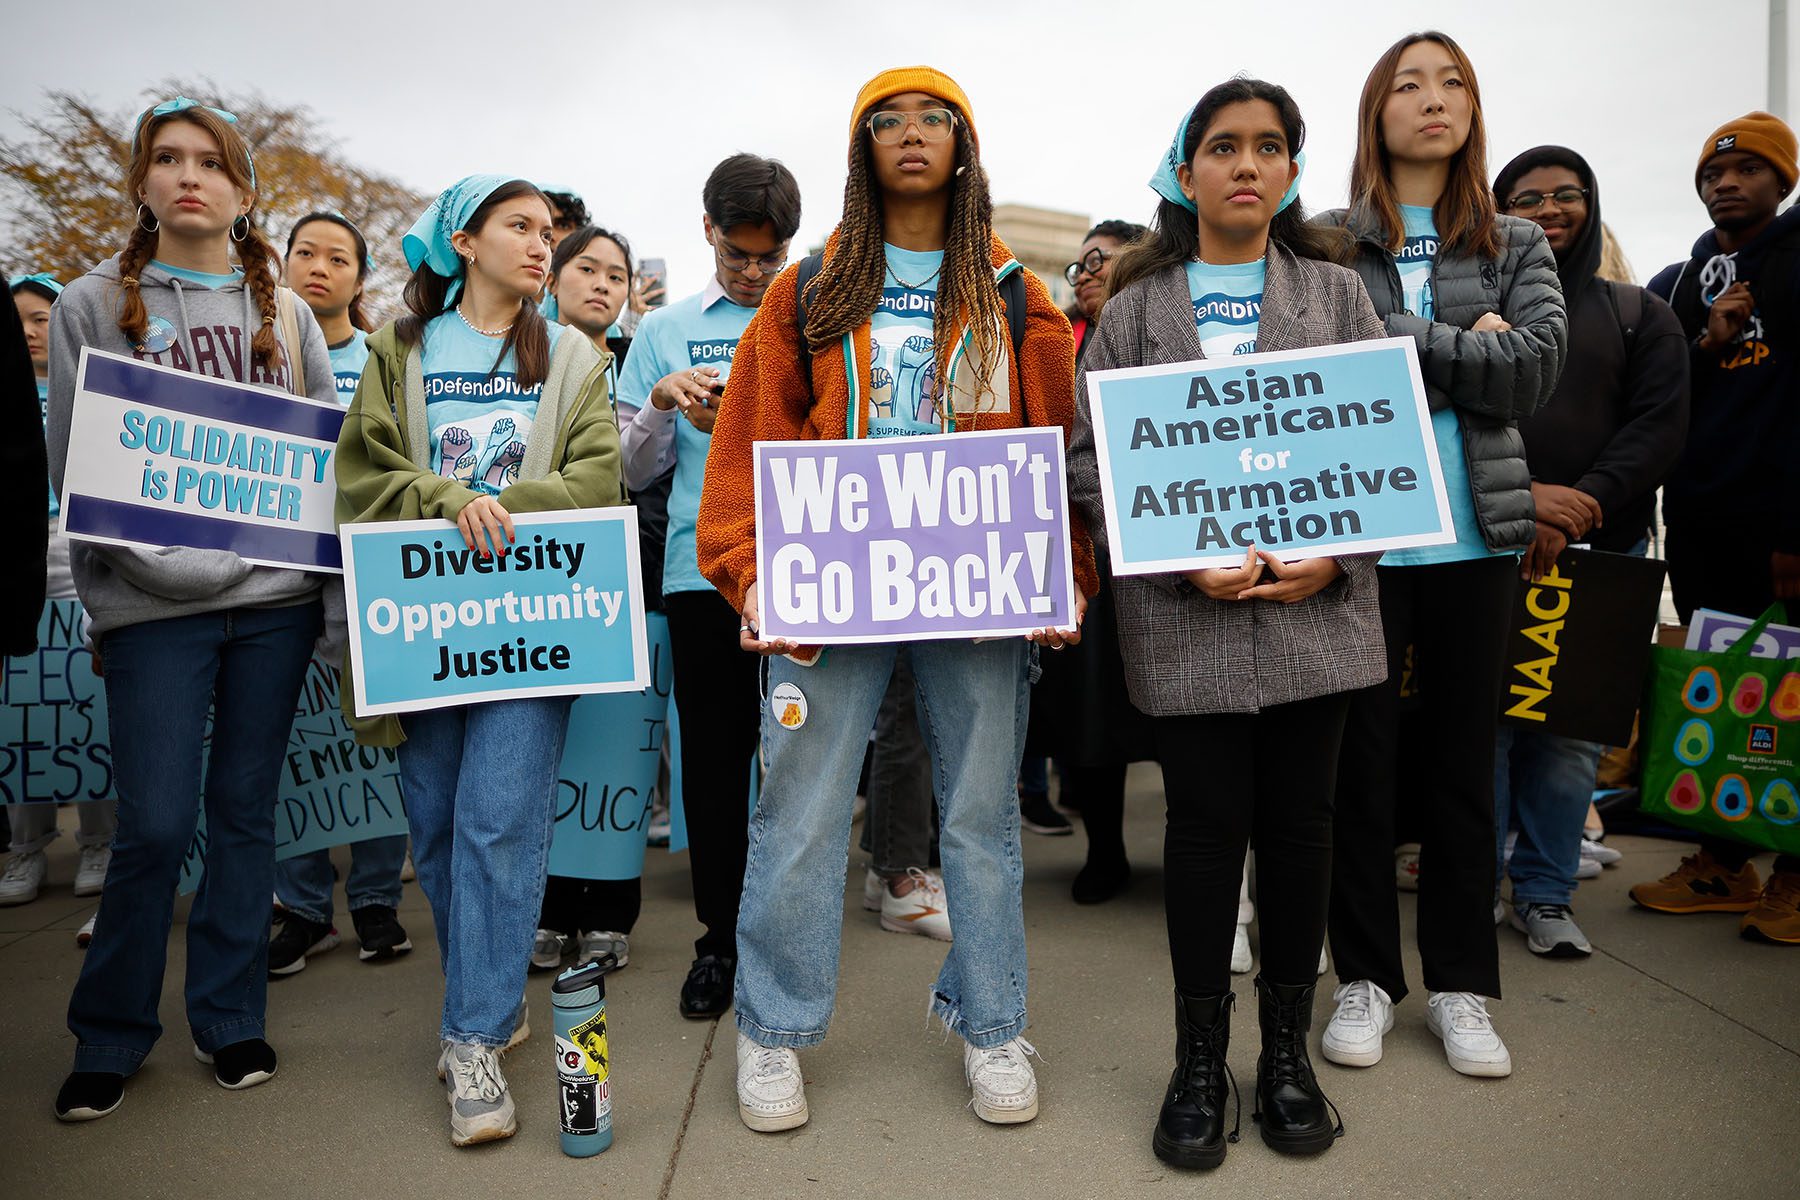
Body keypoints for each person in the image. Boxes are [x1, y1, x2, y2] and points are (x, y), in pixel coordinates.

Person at [696, 64, 1095, 1134]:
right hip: (830, 590)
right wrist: (747, 568)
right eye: (888, 121)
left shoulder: (1018, 293)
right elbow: (752, 436)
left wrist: (1070, 580)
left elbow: (1057, 453)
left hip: (978, 593)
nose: (912, 135)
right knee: (801, 811)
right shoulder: (810, 285)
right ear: (861, 147)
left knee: (977, 818)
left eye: (935, 120)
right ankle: (773, 1033)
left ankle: (993, 1021)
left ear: (964, 147)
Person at [1071, 78, 1384, 1169]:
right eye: (1221, 146)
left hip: (1320, 619)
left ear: (1294, 170)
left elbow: (1384, 451)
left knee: (1303, 830)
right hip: (1184, 621)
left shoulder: (1340, 299)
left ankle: (1285, 1056)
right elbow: (1089, 463)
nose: (1245, 164)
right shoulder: (1129, 313)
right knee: (1203, 836)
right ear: (1186, 170)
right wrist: (1167, 553)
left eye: (1267, 147)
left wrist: (1338, 552)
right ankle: (1198, 1059)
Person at [44, 98, 337, 1122]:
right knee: (156, 826)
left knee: (243, 816)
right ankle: (111, 1033)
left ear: (245, 190)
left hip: (274, 606)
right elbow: (81, 468)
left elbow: (316, 463)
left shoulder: (285, 312)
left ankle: (229, 1016)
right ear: (139, 181)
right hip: (147, 606)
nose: (187, 176)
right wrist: (179, 575)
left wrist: (300, 589)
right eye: (165, 159)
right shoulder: (89, 303)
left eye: (210, 162)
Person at [333, 175, 623, 1145]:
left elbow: (596, 477)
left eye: (550, 230)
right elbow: (365, 471)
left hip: (532, 629)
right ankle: (495, 1005)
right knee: (442, 829)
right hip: (423, 635)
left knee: (500, 819)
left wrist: (504, 508)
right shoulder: (399, 348)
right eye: (520, 226)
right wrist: (450, 499)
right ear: (463, 240)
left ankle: (469, 1040)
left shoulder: (578, 357)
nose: (543, 244)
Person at [1317, 31, 1566, 1080]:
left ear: (1472, 109)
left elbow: (1535, 374)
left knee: (1466, 767)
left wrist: (1403, 337)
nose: (1433, 99)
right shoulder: (1326, 239)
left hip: (1475, 540)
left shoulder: (1513, 237)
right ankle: (1365, 980)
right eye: (1408, 85)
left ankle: (1464, 986)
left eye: (1452, 82)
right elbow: (1331, 370)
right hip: (1364, 542)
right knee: (1356, 773)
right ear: (1376, 112)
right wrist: (1476, 347)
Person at [613, 154, 802, 1020]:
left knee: (807, 759)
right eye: (738, 256)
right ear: (707, 233)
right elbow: (629, 465)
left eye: (772, 256)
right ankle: (719, 938)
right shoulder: (665, 329)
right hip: (705, 573)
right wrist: (660, 403)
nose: (756, 272)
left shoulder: (816, 317)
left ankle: (792, 930)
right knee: (716, 768)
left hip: (811, 566)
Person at [1489, 147, 1689, 957]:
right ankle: (1471, 887)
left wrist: (1582, 506)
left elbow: (1661, 428)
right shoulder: (1474, 316)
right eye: (1526, 198)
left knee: (1569, 735)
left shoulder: (1639, 313)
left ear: (1592, 204)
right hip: (1491, 541)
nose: (1549, 209)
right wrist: (1523, 495)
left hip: (1604, 552)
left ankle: (1542, 892)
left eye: (1567, 195)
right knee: (1484, 731)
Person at [1640, 112, 1800, 944]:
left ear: (1784, 180)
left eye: (1745, 172)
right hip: (1703, 516)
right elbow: (1673, 394)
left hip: (1781, 526)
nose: (1725, 185)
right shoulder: (1691, 274)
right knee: (1725, 693)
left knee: (1797, 700)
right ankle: (1723, 864)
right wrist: (1710, 341)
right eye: (1711, 175)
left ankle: (1797, 879)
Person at [266, 212, 411, 973]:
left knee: (377, 734)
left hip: (369, 578)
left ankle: (377, 900)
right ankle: (303, 907)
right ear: (283, 263)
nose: (319, 267)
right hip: (284, 579)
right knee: (302, 743)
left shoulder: (387, 357)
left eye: (339, 258)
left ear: (360, 279)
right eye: (305, 253)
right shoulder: (257, 357)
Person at [1033, 218, 1156, 903]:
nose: (1082, 274)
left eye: (1098, 261)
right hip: (1090, 557)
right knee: (1094, 712)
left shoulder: (1169, 334)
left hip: (1166, 558)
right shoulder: (1061, 351)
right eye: (1077, 264)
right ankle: (1105, 853)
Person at [534, 222, 641, 973]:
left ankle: (608, 913)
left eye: (617, 276)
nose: (602, 284)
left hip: (621, 578)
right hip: (534, 581)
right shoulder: (520, 358)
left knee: (612, 748)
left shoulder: (635, 367)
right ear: (553, 279)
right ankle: (543, 910)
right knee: (542, 744)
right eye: (587, 269)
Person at [2, 274, 119, 916]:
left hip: (77, 551)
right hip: (18, 564)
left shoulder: (90, 386)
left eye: (42, 317)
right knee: (21, 711)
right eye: (17, 318)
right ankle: (27, 846)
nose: (30, 329)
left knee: (84, 706)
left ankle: (99, 840)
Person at [1063, 219, 1145, 358]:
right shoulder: (1058, 339)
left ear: (1135, 260)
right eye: (1078, 271)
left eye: (1095, 261)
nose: (1082, 277)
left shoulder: (1165, 325)